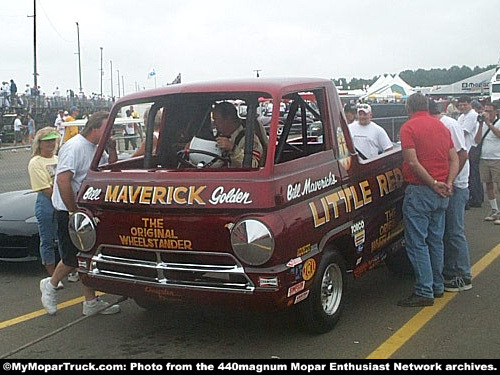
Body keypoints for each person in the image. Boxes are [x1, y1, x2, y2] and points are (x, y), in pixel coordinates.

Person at [40, 111, 119, 316]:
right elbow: (63, 180)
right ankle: (50, 285)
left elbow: (110, 170)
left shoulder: (97, 148)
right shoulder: (74, 147)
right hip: (70, 210)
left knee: (88, 257)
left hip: (88, 209)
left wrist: (111, 150)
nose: (109, 132)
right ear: (94, 128)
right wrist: (72, 210)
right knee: (71, 258)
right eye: (106, 128)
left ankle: (90, 302)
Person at [397, 93, 459, 307]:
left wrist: (432, 183)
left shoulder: (408, 128)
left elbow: (412, 162)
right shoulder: (441, 127)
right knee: (435, 239)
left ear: (408, 109)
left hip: (421, 189)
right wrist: (448, 182)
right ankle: (437, 285)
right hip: (442, 191)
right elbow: (454, 157)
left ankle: (424, 289)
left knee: (417, 242)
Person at [429, 99, 472, 293]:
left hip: (456, 185)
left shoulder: (449, 125)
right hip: (448, 183)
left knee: (454, 230)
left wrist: (450, 181)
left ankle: (463, 275)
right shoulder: (438, 125)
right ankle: (450, 270)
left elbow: (462, 155)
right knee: (445, 231)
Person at [28, 127, 63, 281]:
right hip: (47, 202)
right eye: (47, 141)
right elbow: (45, 189)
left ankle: (66, 268)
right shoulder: (35, 162)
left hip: (60, 200)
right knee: (47, 239)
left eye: (53, 141)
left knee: (63, 237)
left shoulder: (58, 158)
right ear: (39, 143)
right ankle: (52, 272)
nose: (50, 144)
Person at [211, 102, 263, 168]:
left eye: (216, 119)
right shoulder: (220, 136)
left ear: (228, 119)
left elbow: (253, 165)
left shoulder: (249, 139)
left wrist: (233, 148)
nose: (214, 124)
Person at [475, 101, 500, 224]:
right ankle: (494, 209)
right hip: (484, 158)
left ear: (495, 111)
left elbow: (499, 134)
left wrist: (489, 123)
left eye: (490, 111)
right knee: (488, 185)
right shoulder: (482, 124)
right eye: (486, 111)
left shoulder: (498, 122)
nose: (487, 113)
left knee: (499, 185)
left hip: (497, 158)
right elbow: (477, 140)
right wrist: (480, 125)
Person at [457, 96, 481, 207]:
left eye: (464, 104)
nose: (462, 107)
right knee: (470, 175)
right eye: (460, 105)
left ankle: (475, 198)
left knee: (472, 175)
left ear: (470, 104)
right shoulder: (462, 116)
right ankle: (474, 197)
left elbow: (463, 132)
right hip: (465, 148)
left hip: (470, 148)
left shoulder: (472, 115)